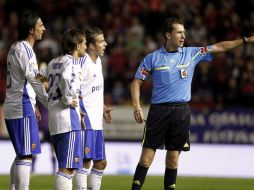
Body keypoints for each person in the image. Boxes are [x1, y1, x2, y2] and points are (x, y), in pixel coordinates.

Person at [130, 17, 254, 190]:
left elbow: (219, 47)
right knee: (145, 159)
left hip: (181, 113)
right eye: (179, 32)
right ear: (168, 35)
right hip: (158, 112)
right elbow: (136, 83)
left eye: (184, 32)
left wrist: (245, 40)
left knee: (172, 161)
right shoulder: (153, 58)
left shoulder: (192, 53)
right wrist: (136, 107)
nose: (183, 36)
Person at [3, 11, 48, 190]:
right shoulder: (26, 50)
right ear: (31, 29)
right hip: (21, 106)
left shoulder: (15, 47)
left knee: (21, 153)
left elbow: (31, 76)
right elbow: (34, 79)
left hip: (16, 104)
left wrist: (36, 100)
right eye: (40, 25)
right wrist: (48, 101)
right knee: (26, 155)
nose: (43, 28)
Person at [47, 28, 87, 190]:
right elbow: (65, 78)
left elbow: (38, 76)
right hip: (68, 121)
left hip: (54, 119)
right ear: (77, 45)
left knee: (65, 166)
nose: (86, 46)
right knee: (68, 168)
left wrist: (49, 95)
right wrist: (67, 99)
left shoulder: (53, 62)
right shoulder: (73, 63)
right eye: (84, 43)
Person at [74, 26, 113, 190]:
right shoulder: (82, 62)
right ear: (91, 45)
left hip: (97, 121)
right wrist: (81, 113)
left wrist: (103, 107)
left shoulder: (99, 61)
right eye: (101, 41)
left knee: (101, 162)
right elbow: (74, 89)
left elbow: (94, 88)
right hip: (86, 120)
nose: (105, 44)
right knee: (85, 161)